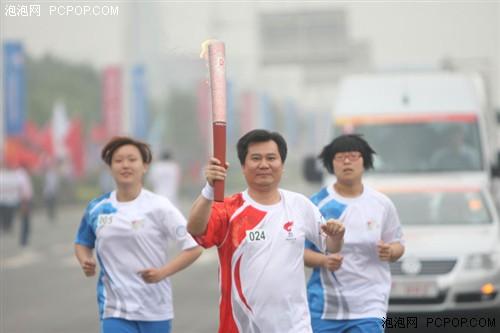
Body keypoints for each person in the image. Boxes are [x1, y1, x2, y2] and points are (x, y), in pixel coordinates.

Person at [187, 129, 345, 333]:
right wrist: (209, 188)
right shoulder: (229, 210)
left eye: (271, 158)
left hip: (295, 326)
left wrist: (336, 236)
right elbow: (195, 228)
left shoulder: (299, 205)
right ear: (243, 166)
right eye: (255, 158)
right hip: (241, 326)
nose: (264, 165)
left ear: (282, 165)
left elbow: (330, 246)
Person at [74, 136, 202, 333]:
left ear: (144, 166)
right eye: (118, 160)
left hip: (155, 308)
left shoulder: (160, 207)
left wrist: (162, 273)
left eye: (132, 159)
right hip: (114, 308)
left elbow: (193, 248)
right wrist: (85, 260)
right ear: (110, 168)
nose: (125, 165)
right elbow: (82, 242)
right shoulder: (98, 208)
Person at [304, 134, 405, 333]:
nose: (347, 161)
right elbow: (302, 252)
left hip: (370, 305)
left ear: (365, 161)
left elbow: (398, 244)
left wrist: (390, 251)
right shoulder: (316, 204)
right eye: (340, 157)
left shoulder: (381, 204)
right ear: (331, 164)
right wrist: (324, 261)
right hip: (326, 306)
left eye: (353, 156)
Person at [18, 165, 34, 247]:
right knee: (25, 221)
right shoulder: (22, 175)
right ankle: (23, 240)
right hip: (25, 201)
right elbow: (23, 190)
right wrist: (24, 203)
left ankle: (25, 239)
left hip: (27, 200)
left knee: (26, 221)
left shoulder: (24, 175)